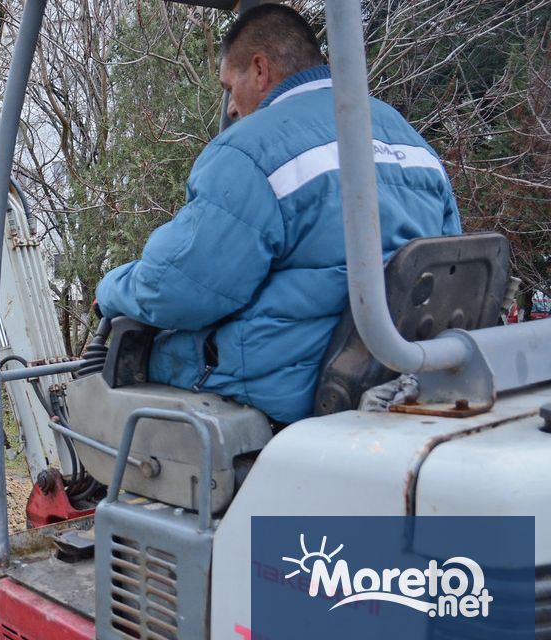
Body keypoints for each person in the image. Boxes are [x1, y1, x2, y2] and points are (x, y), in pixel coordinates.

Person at [94, 5, 461, 424]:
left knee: (107, 388)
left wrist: (110, 289)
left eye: (230, 87)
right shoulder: (402, 133)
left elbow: (178, 290)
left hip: (295, 383)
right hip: (398, 372)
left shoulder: (251, 150)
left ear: (260, 69)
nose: (231, 107)